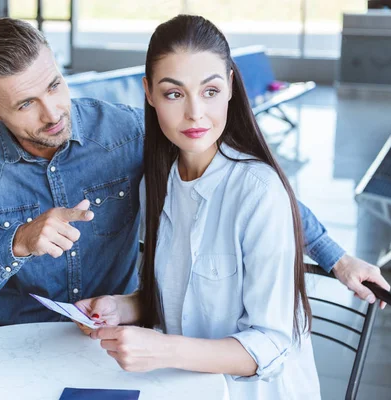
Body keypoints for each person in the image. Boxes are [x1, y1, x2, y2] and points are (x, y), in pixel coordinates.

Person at [0, 17, 390, 328]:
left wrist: (335, 256)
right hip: (17, 344)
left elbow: (242, 179)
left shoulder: (123, 132)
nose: (53, 114)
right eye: (26, 104)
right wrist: (17, 243)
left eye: (55, 85)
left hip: (121, 329)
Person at [75, 14, 320, 399]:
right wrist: (122, 308)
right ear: (149, 93)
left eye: (209, 91)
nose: (194, 113)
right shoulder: (156, 183)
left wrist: (161, 349)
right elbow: (179, 297)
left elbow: (272, 346)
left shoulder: (259, 193)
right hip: (181, 387)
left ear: (230, 89)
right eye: (174, 93)